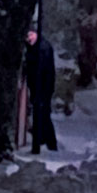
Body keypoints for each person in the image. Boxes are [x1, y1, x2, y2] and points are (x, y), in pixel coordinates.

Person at [20, 19, 59, 152]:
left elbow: (43, 71)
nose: (29, 38)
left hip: (43, 88)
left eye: (31, 34)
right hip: (37, 87)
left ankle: (49, 143)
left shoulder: (42, 48)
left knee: (42, 114)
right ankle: (44, 140)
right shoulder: (34, 47)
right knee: (41, 115)